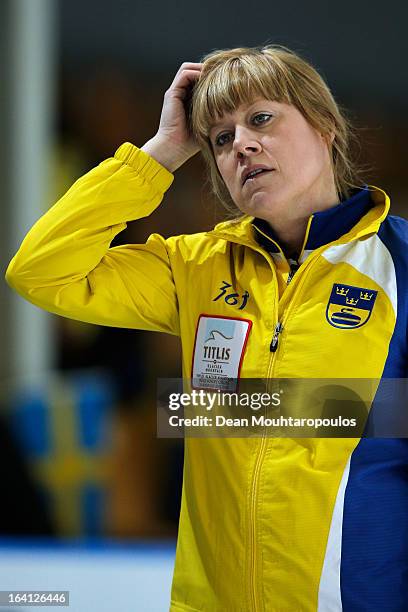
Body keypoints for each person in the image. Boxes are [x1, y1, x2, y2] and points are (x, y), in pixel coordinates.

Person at [5, 45, 408, 611]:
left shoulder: (403, 269)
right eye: (219, 138)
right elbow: (41, 271)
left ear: (324, 127)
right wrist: (162, 153)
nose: (240, 143)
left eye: (261, 119)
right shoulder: (194, 267)